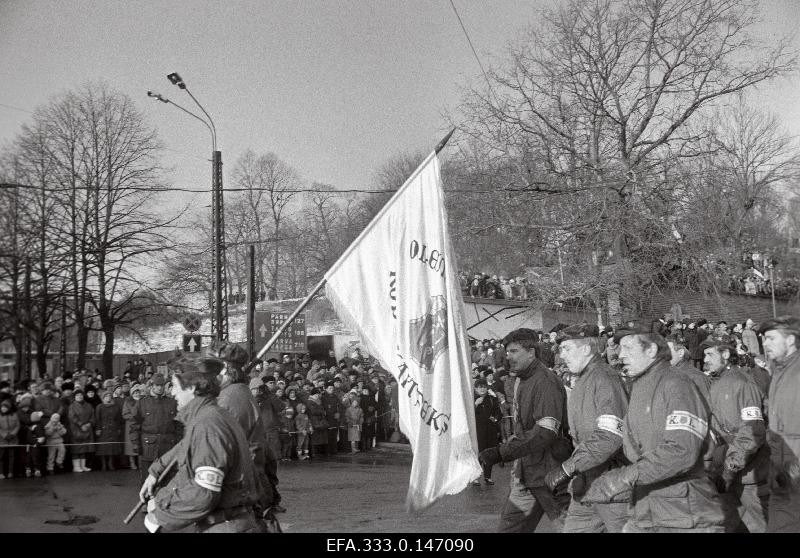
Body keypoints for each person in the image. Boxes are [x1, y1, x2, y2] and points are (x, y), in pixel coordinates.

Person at [582, 328, 724, 532]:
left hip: (685, 514)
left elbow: (681, 450)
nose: (621, 355)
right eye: (620, 348)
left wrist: (621, 479)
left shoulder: (676, 384)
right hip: (648, 509)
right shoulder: (640, 386)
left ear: (652, 350)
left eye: (629, 348)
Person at [138, 356, 266, 533]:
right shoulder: (210, 416)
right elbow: (187, 449)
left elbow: (204, 494)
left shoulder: (207, 425)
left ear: (191, 387)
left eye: (175, 386)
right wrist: (156, 472)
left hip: (225, 526)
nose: (172, 393)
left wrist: (160, 514)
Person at [478, 328, 571, 532]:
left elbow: (546, 432)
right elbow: (523, 428)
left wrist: (502, 452)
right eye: (507, 352)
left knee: (572, 528)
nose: (508, 357)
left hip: (549, 473)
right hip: (526, 473)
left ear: (532, 352)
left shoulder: (545, 381)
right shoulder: (521, 378)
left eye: (514, 351)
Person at [543, 323, 630, 533]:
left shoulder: (603, 378)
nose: (561, 356)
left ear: (585, 349)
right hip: (587, 483)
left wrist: (568, 467)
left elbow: (610, 435)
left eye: (567, 349)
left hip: (613, 486)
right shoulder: (585, 378)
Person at [701, 335, 769, 532]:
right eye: (704, 355)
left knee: (761, 525)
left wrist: (730, 467)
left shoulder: (742, 383)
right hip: (728, 470)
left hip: (751, 474)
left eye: (710, 354)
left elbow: (752, 430)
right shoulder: (717, 383)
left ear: (725, 354)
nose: (705, 360)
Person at [211, 342, 282, 514]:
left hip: (239, 492)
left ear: (224, 370)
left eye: (210, 368)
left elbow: (216, 449)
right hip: (244, 488)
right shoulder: (231, 393)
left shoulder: (231, 399)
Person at [758, 315, 800, 532]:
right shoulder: (778, 373)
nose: (764, 344)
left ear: (791, 340)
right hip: (781, 480)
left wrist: (794, 470)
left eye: (771, 338)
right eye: (764, 339)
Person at [130, 373, 180, 484]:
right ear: (151, 385)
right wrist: (135, 444)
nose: (159, 388)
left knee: (168, 480)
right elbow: (134, 425)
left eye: (162, 385)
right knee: (147, 481)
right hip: (148, 447)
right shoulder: (142, 403)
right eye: (157, 385)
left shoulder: (172, 403)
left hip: (168, 446)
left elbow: (178, 426)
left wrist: (179, 444)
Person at [473, 378, 502, 486]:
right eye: (480, 387)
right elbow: (467, 415)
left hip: (491, 430)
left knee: (489, 453)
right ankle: (475, 477)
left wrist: (495, 419)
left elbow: (499, 413)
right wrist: (475, 404)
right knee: (479, 453)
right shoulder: (473, 399)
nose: (482, 389)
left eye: (484, 387)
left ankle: (488, 477)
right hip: (478, 430)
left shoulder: (492, 399)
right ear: (475, 388)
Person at [68, 389, 95, 473]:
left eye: (81, 395)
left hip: (87, 428)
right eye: (77, 395)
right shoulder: (72, 406)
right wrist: (81, 424)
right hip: (76, 429)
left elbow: (92, 416)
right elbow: (72, 417)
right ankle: (76, 466)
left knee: (84, 448)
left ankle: (83, 466)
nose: (79, 396)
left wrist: (89, 424)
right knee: (76, 448)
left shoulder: (88, 405)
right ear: (74, 397)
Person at [0, 398, 20, 478]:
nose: (3, 408)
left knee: (12, 457)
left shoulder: (14, 415)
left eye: (5, 407)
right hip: (2, 439)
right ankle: (1, 473)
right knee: (1, 457)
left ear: (9, 408)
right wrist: (4, 435)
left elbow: (18, 425)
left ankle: (10, 472)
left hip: (13, 439)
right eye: (2, 407)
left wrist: (13, 434)